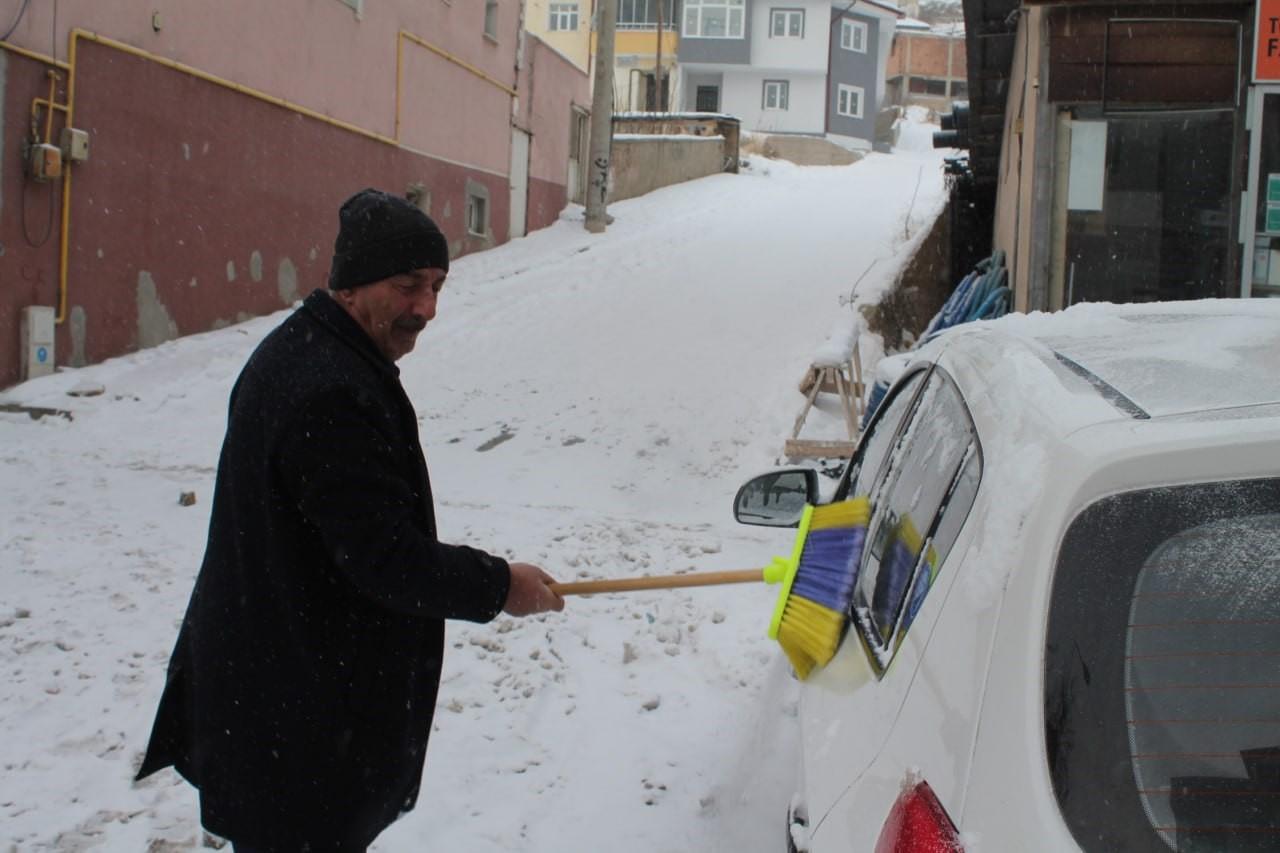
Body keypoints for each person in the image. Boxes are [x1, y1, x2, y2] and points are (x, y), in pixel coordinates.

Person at [135, 188, 565, 852]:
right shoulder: (329, 388)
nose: (426, 307)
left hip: (278, 703)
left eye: (437, 285)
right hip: (294, 722)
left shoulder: (312, 350)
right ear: (353, 285)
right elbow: (385, 557)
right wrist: (500, 584)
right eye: (408, 285)